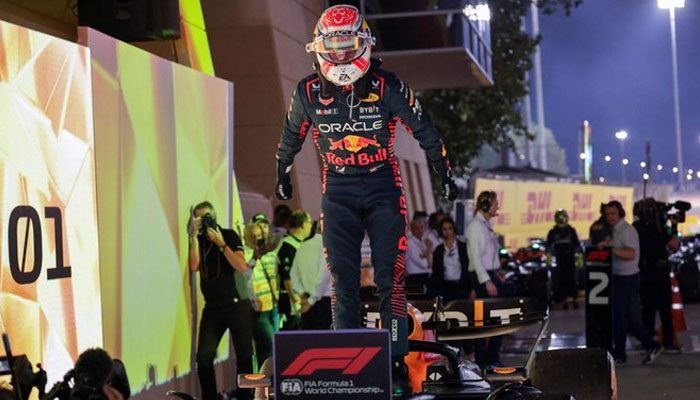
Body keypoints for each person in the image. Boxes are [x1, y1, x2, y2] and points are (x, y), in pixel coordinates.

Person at [274, 4, 457, 394]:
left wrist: (445, 172)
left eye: (348, 46)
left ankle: (393, 359)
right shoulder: (307, 90)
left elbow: (425, 130)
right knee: (343, 282)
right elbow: (290, 136)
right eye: (333, 47)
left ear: (364, 44)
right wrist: (281, 173)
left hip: (382, 186)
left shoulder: (388, 85)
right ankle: (347, 360)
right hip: (337, 190)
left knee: (391, 279)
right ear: (319, 48)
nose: (341, 56)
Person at [188, 201, 254, 400]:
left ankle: (246, 396)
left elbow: (242, 267)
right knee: (204, 357)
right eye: (201, 218)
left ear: (215, 215)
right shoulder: (199, 240)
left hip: (236, 304)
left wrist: (221, 244)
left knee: (244, 355)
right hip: (213, 308)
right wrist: (192, 236)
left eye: (208, 216)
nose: (206, 221)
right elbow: (194, 266)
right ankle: (210, 397)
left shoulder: (229, 235)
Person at [600, 200, 663, 365]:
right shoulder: (615, 231)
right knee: (625, 316)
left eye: (613, 213)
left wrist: (610, 249)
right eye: (607, 214)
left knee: (620, 316)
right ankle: (650, 344)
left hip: (627, 277)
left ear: (620, 213)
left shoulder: (627, 230)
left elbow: (630, 254)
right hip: (619, 277)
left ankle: (621, 353)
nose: (610, 217)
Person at [633, 198, 681, 350]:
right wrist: (673, 227)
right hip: (660, 272)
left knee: (648, 309)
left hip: (644, 271)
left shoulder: (635, 227)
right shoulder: (659, 228)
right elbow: (674, 245)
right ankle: (667, 342)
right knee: (665, 309)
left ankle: (647, 343)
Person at [466, 191, 504, 368]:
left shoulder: (485, 225)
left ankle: (491, 357)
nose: (498, 206)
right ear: (486, 205)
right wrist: (487, 281)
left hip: (490, 274)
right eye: (495, 203)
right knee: (486, 321)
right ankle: (484, 360)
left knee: (497, 319)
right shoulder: (476, 227)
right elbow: (476, 258)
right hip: (483, 276)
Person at [243, 223, 279, 365]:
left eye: (259, 236)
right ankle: (267, 380)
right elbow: (245, 278)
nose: (256, 239)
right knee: (269, 344)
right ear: (246, 237)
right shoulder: (245, 255)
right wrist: (252, 299)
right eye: (252, 236)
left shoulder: (267, 255)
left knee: (266, 347)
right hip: (257, 308)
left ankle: (268, 379)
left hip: (271, 305)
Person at [276, 210, 314, 331]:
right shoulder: (288, 246)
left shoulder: (300, 245)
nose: (311, 226)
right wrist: (297, 303)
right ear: (303, 224)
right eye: (310, 222)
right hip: (291, 304)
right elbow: (288, 278)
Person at [291, 222, 333, 330]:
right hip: (325, 304)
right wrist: (311, 301)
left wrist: (302, 295)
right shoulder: (328, 246)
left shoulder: (302, 247)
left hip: (307, 301)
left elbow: (293, 275)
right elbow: (324, 275)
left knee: (309, 343)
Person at [430, 217, 471, 303]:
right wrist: (435, 294)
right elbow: (436, 273)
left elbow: (469, 269)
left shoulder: (463, 247)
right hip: (445, 288)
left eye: (450, 228)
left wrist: (472, 288)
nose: (447, 231)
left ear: (454, 229)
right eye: (444, 229)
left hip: (462, 287)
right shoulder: (438, 250)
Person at [546, 209, 581, 309]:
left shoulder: (571, 231)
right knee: (559, 280)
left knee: (572, 279)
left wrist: (579, 259)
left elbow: (577, 246)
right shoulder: (552, 232)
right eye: (559, 219)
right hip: (558, 260)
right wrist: (549, 260)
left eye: (563, 218)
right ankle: (562, 299)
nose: (561, 221)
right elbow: (548, 247)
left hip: (570, 259)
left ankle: (574, 298)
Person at [406, 218, 433, 289]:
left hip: (426, 277)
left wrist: (425, 256)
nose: (419, 231)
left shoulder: (424, 242)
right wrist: (428, 250)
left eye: (421, 228)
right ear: (411, 229)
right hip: (416, 279)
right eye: (416, 228)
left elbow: (431, 263)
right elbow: (424, 264)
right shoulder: (410, 243)